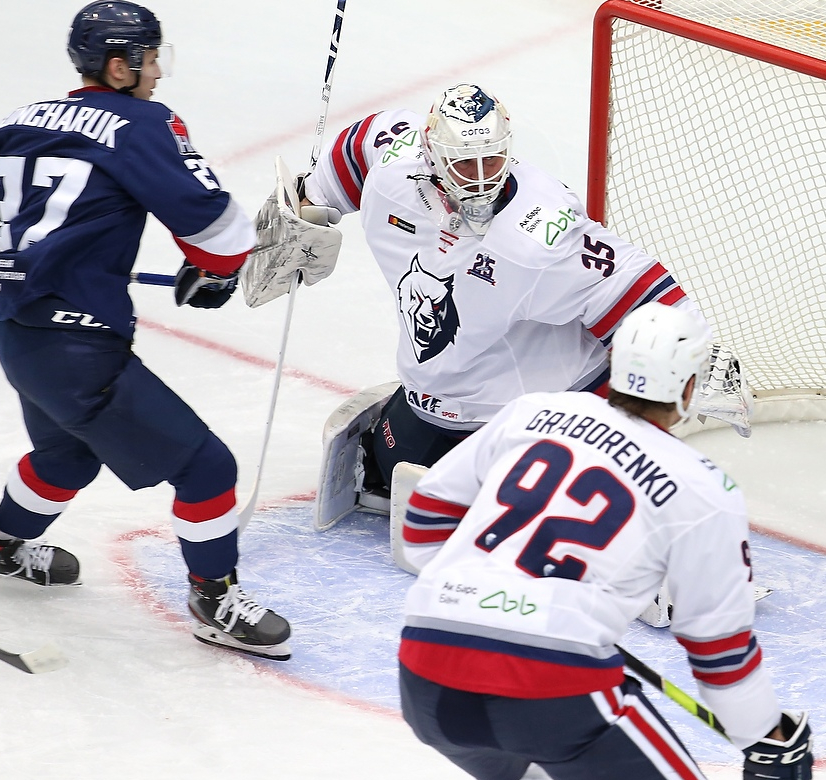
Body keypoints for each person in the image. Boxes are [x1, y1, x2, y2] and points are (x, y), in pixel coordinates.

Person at [0, 0, 291, 660]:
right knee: (207, 465)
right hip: (79, 349)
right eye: (149, 57)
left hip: (20, 338)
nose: (157, 70)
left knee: (67, 456)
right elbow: (221, 233)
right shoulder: (141, 123)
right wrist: (212, 273)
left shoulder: (18, 125)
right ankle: (214, 598)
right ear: (117, 64)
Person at [396, 302, 811, 780]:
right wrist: (765, 736)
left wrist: (487, 599)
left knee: (514, 776)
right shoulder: (704, 490)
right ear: (687, 389)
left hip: (428, 667)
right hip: (549, 682)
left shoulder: (533, 412)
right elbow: (720, 649)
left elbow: (425, 519)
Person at [269, 83, 738, 521]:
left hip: (533, 412)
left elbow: (652, 302)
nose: (478, 180)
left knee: (524, 526)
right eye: (463, 164)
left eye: (491, 160)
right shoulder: (394, 168)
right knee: (391, 475)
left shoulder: (541, 238)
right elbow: (358, 148)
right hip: (437, 400)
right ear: (430, 155)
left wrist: (679, 374)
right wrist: (307, 205)